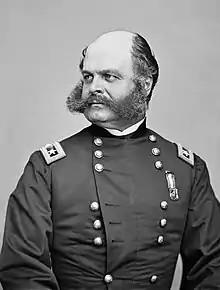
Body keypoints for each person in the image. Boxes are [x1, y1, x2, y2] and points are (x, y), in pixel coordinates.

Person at [0, 30, 220, 290]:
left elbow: (213, 266)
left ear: (145, 84)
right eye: (88, 76)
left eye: (109, 77)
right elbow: (22, 269)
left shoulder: (186, 170)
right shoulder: (48, 167)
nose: (94, 87)